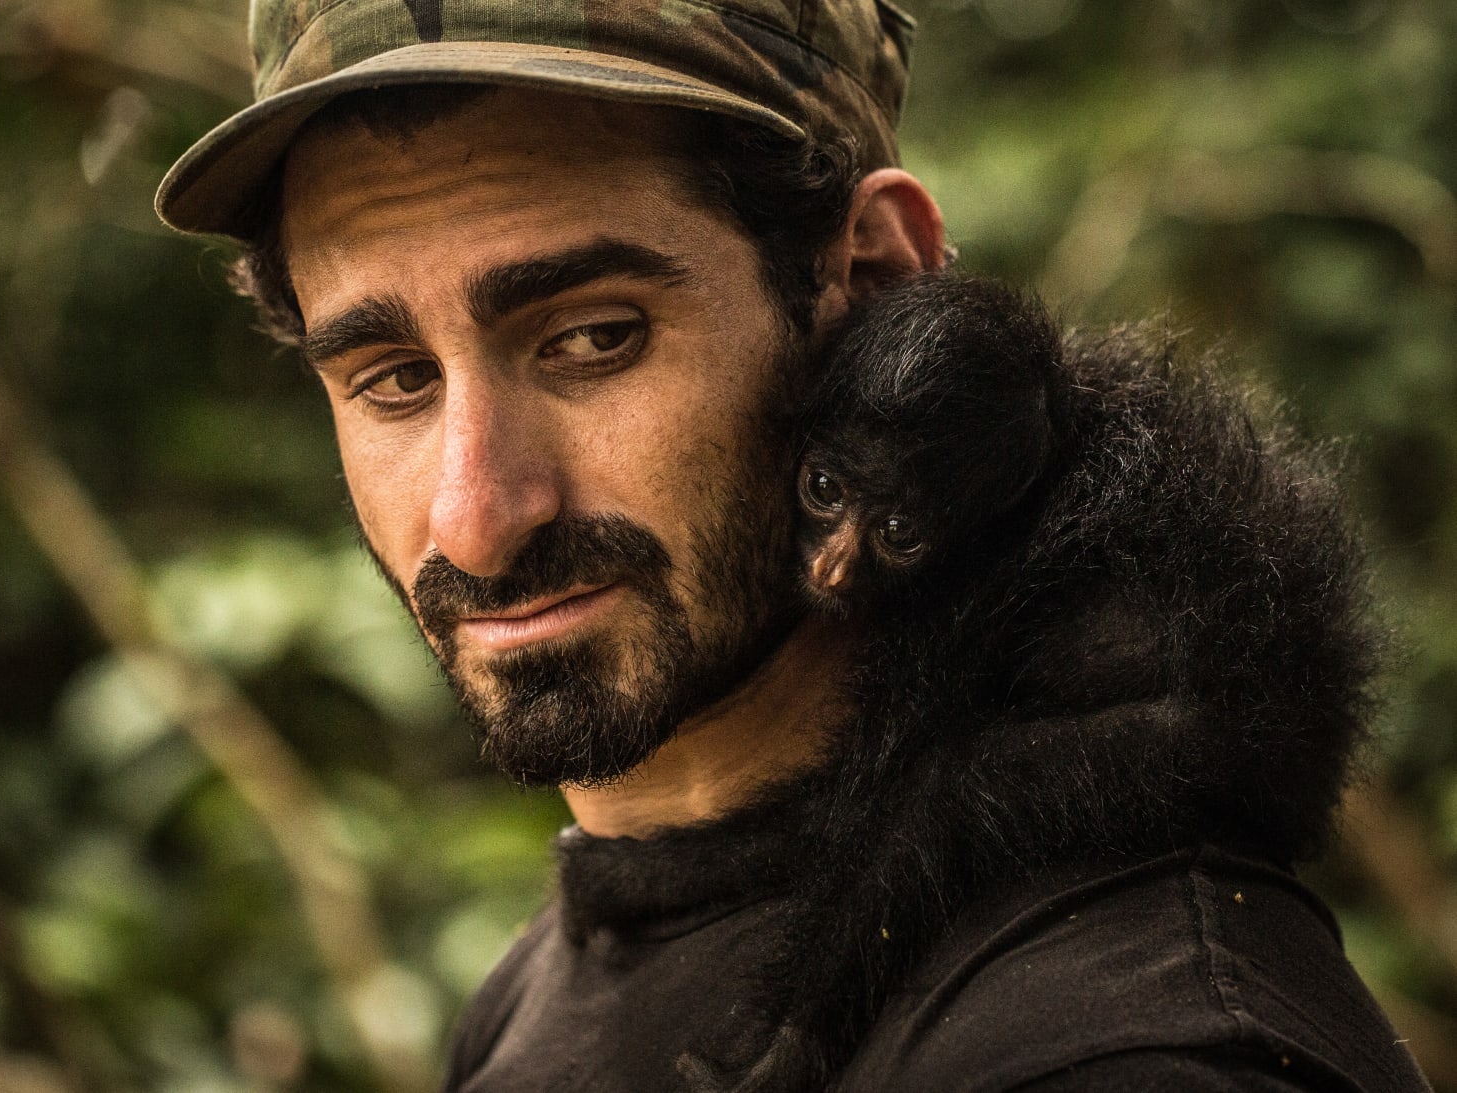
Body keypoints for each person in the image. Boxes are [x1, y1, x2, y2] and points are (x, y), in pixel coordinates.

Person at [156, 2, 1432, 1090]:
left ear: (872, 281)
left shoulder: (1131, 1045)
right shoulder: (541, 989)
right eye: (391, 378)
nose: (477, 518)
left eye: (594, 338)